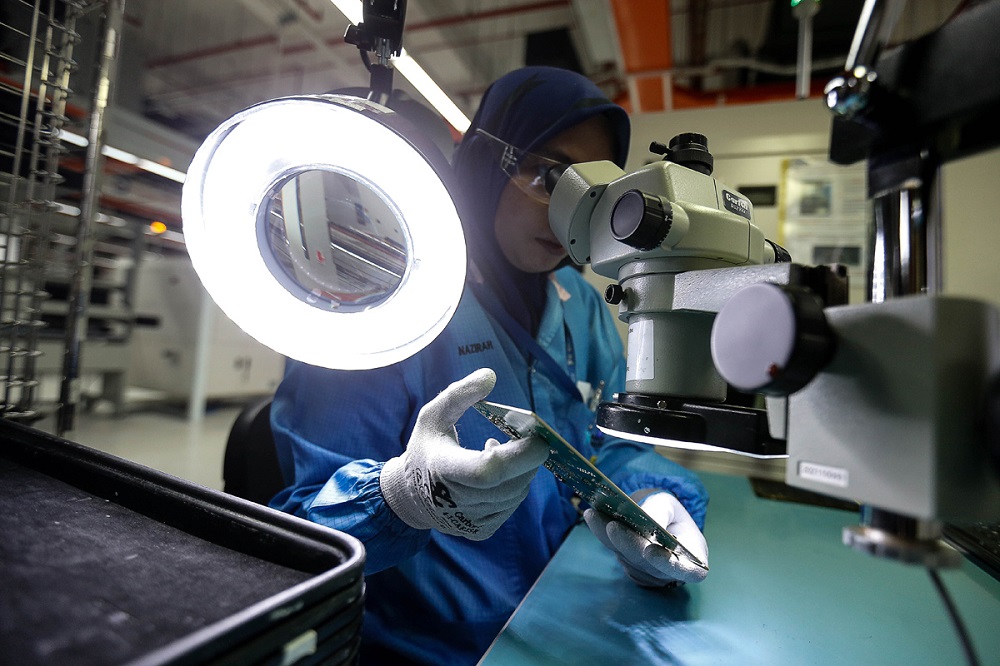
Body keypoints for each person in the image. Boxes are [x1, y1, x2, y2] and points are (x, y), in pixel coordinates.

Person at [269, 66, 710, 666]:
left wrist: (654, 497)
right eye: (548, 175)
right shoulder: (385, 302)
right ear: (482, 160)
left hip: (559, 616)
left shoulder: (580, 302)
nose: (565, 212)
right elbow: (297, 532)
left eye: (593, 192)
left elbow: (610, 440)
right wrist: (399, 498)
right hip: (425, 648)